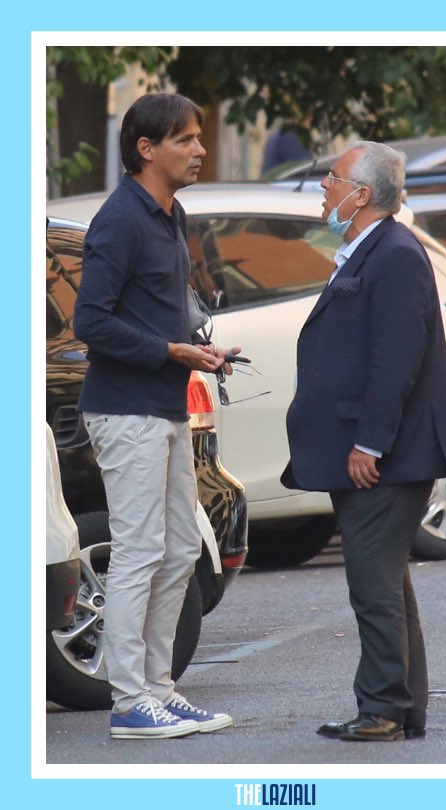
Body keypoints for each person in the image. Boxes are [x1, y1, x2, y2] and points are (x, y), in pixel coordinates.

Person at [281, 141, 446, 742]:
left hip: (387, 457)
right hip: (375, 451)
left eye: (333, 179)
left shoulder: (396, 254)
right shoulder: (370, 248)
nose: (324, 188)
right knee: (387, 583)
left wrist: (371, 444)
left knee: (374, 585)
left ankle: (382, 710)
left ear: (361, 194)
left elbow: (396, 360)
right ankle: (400, 708)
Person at [74, 93, 239, 740]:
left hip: (164, 405)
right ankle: (128, 703)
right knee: (141, 552)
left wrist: (201, 348)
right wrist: (169, 351)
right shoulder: (119, 220)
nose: (200, 149)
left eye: (199, 137)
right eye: (186, 139)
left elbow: (160, 312)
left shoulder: (172, 212)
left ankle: (158, 691)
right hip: (125, 411)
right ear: (146, 149)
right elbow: (91, 323)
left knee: (179, 551)